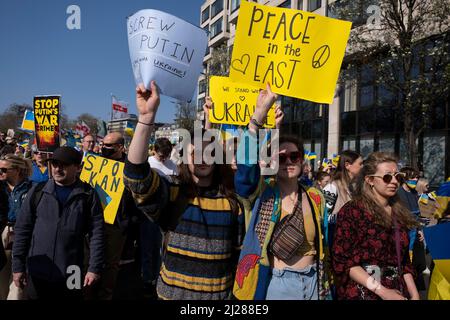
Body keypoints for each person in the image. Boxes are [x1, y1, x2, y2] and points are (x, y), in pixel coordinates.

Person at [123, 81, 244, 300]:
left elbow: (238, 255)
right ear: (185, 157)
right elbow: (136, 178)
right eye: (195, 152)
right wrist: (146, 119)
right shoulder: (173, 193)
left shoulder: (232, 202)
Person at [232, 84, 331, 301]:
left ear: (302, 160)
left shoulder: (316, 197)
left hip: (315, 282)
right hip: (277, 284)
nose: (288, 161)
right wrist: (258, 116)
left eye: (293, 156)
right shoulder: (261, 193)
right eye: (281, 157)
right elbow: (245, 170)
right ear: (273, 162)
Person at [11, 146, 104, 300]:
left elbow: (97, 234)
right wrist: (18, 266)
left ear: (78, 168)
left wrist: (94, 268)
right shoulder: (37, 192)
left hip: (72, 271)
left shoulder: (88, 195)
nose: (57, 169)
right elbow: (22, 230)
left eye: (64, 165)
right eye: (55, 164)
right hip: (37, 269)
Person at [332, 152, 420, 300]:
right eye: (387, 177)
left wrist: (415, 294)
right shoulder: (352, 211)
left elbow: (404, 262)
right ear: (370, 180)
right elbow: (344, 261)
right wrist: (382, 291)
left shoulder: (400, 214)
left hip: (397, 292)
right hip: (363, 293)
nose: (394, 182)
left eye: (397, 176)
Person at [85, 132, 141, 300]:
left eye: (109, 146)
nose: (104, 148)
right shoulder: (94, 163)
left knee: (111, 264)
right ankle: (87, 292)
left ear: (120, 147)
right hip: (92, 221)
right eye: (103, 144)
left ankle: (105, 295)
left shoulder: (131, 168)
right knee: (88, 259)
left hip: (116, 223)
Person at [0, 154, 33, 300]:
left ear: (17, 170)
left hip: (23, 234)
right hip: (2, 232)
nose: (0, 172)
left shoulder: (32, 189)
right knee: (1, 274)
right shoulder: (0, 188)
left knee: (18, 277)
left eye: (4, 169)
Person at [323, 150, 363, 247]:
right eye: (360, 164)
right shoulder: (332, 187)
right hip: (335, 241)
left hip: (350, 241)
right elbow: (323, 217)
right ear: (347, 165)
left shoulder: (353, 187)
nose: (363, 167)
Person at [397, 166, 427, 293]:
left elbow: (418, 215)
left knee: (419, 264)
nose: (415, 179)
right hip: (404, 234)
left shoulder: (414, 194)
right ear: (405, 178)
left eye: (417, 177)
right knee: (406, 264)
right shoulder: (398, 193)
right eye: (413, 177)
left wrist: (420, 230)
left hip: (415, 233)